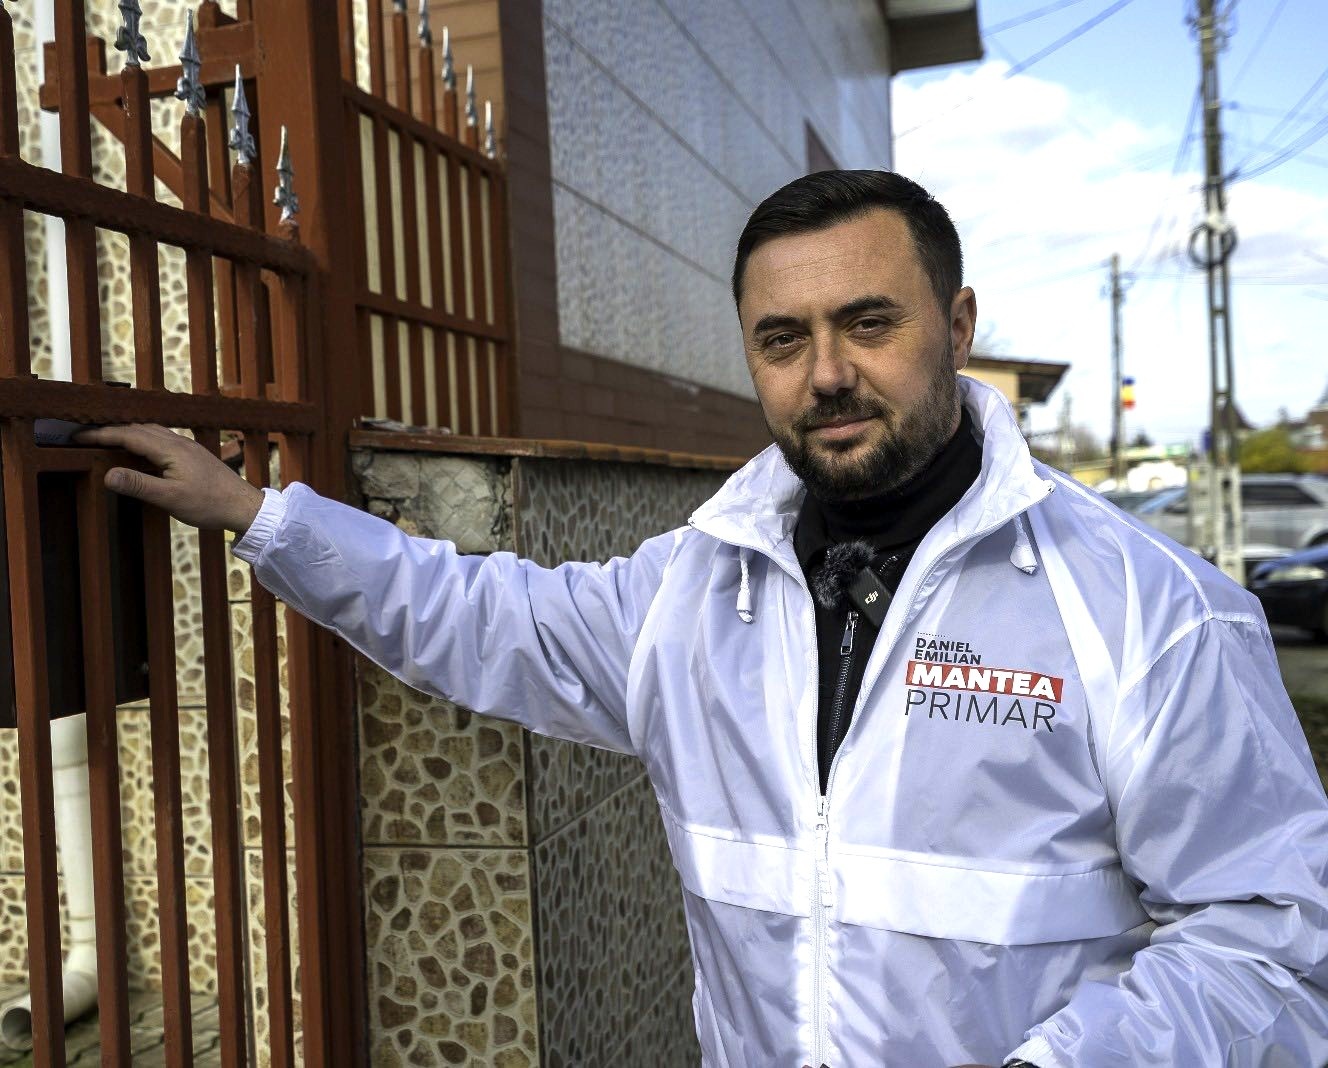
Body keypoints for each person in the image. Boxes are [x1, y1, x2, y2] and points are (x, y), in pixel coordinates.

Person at [78, 171, 1328, 1067]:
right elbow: (481, 614)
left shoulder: (1147, 610)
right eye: (782, 339)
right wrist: (260, 516)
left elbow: (1267, 946)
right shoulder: (693, 588)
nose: (824, 372)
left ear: (955, 328)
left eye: (868, 322)